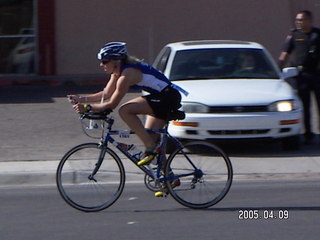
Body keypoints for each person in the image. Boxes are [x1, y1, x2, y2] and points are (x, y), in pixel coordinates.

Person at [68, 42, 184, 165]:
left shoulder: (126, 75)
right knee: (150, 138)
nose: (101, 64)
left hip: (168, 97)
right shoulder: (117, 72)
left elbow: (112, 104)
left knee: (125, 110)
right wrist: (81, 99)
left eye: (105, 61)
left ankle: (151, 147)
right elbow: (106, 94)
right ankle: (168, 179)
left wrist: (87, 108)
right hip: (160, 97)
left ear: (116, 61)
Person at [278, 10, 320, 144]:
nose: (298, 22)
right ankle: (308, 134)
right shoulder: (294, 35)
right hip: (301, 75)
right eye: (297, 20)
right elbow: (284, 54)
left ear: (309, 20)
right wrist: (278, 71)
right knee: (305, 106)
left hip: (317, 74)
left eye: (301, 20)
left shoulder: (317, 34)